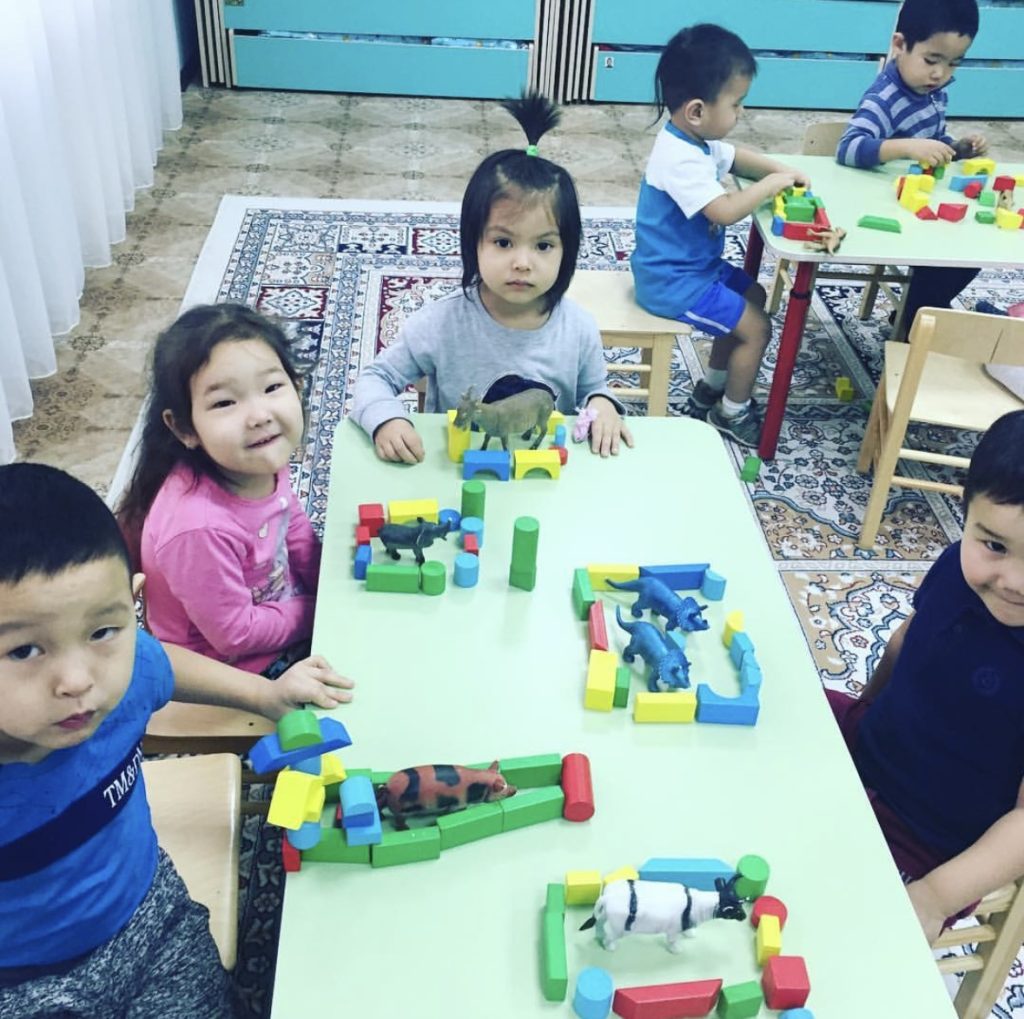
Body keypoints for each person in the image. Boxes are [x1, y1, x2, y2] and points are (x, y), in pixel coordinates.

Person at [0, 463, 352, 1016]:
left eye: (102, 631)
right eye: (24, 650)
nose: (77, 681)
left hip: (152, 918)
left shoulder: (118, 671)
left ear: (132, 604)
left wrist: (265, 695)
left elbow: (159, 662)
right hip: (21, 984)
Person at [350, 91, 633, 461]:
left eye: (543, 245)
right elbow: (374, 379)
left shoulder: (578, 329)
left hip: (542, 475)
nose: (522, 262)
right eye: (503, 242)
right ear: (474, 242)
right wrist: (386, 420)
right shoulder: (440, 323)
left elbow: (594, 391)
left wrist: (603, 405)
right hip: (456, 474)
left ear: (568, 251)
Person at [828, 410, 1024, 942]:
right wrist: (859, 711)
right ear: (966, 512)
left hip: (929, 841)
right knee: (768, 714)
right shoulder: (956, 566)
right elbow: (905, 643)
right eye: (995, 545)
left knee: (831, 928)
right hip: (871, 746)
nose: (1013, 581)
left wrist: (934, 897)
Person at [118, 303, 327, 679]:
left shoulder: (255, 459)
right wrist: (317, 610)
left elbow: (291, 521)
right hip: (231, 671)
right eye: (225, 402)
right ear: (184, 428)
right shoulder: (198, 527)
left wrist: (328, 582)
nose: (259, 416)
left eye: (272, 387)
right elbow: (236, 635)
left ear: (297, 386)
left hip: (275, 618)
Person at [630, 23, 809, 449]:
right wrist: (771, 186)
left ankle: (711, 387)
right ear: (696, 110)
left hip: (694, 268)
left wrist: (782, 170)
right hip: (673, 283)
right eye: (736, 103)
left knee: (753, 296)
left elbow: (737, 158)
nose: (741, 112)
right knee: (757, 330)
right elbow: (725, 211)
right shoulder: (680, 158)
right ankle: (732, 413)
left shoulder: (697, 141)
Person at [836, 0, 987, 337]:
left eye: (953, 63)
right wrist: (907, 147)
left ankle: (919, 309)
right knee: (943, 256)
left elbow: (934, 142)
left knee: (972, 251)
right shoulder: (885, 97)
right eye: (931, 60)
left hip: (916, 202)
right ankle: (913, 322)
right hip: (879, 210)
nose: (940, 74)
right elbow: (849, 148)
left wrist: (958, 148)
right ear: (899, 45)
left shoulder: (933, 93)